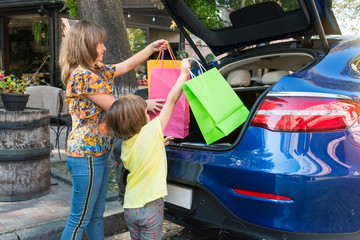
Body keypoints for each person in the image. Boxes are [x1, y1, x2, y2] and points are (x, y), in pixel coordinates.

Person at [58, 19, 167, 240]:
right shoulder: (82, 75)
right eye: (100, 43)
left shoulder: (95, 70)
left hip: (96, 153)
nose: (104, 48)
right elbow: (116, 108)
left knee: (96, 215)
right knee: (79, 219)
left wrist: (150, 48)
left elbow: (125, 66)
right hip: (85, 156)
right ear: (87, 45)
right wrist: (145, 104)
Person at [105, 59, 190, 240]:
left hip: (129, 207)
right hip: (150, 207)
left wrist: (158, 144)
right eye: (145, 112)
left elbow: (142, 154)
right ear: (138, 119)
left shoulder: (125, 144)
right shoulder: (152, 131)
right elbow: (172, 99)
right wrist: (183, 73)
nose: (148, 114)